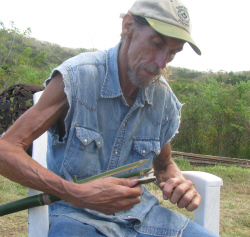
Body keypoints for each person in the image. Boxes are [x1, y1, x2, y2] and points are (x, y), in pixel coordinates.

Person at [0, 0, 219, 236]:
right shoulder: (77, 77)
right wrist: (75, 192)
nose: (162, 63)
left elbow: (164, 165)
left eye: (173, 53)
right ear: (128, 26)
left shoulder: (163, 99)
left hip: (144, 218)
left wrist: (177, 182)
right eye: (157, 44)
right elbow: (6, 150)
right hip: (75, 216)